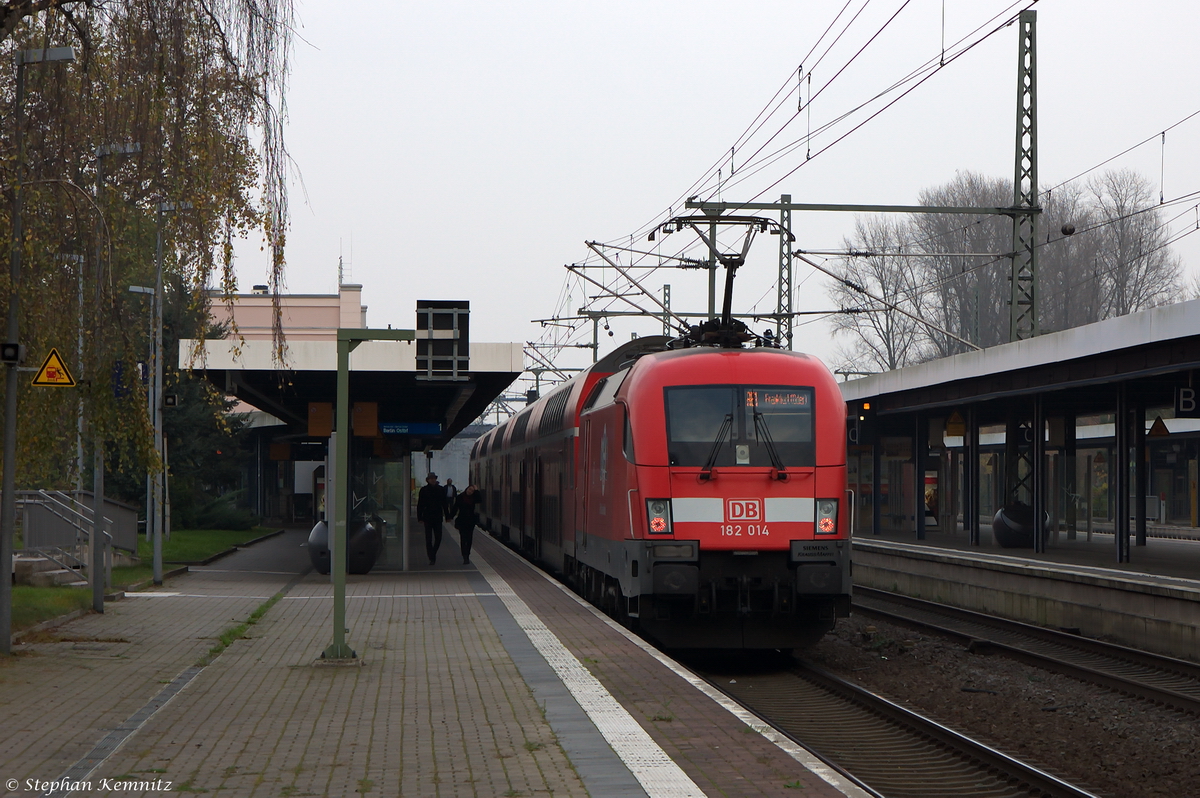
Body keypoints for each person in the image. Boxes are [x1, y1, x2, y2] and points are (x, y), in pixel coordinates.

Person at [417, 473, 446, 564]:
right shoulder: (424, 490)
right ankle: (431, 557)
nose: (432, 480)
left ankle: (433, 553)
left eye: (434, 478)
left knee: (438, 537)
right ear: (428, 480)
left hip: (438, 516)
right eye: (431, 479)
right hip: (427, 516)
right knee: (428, 538)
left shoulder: (441, 489)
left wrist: (448, 515)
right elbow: (420, 504)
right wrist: (419, 517)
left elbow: (444, 503)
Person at [453, 484, 482, 565]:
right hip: (462, 520)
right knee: (463, 538)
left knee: (469, 539)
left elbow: (480, 500)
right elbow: (455, 507)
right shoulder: (460, 497)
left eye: (472, 491)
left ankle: (467, 555)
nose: (470, 491)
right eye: (469, 489)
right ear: (466, 489)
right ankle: (464, 556)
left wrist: (476, 491)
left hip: (470, 521)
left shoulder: (473, 498)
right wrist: (450, 516)